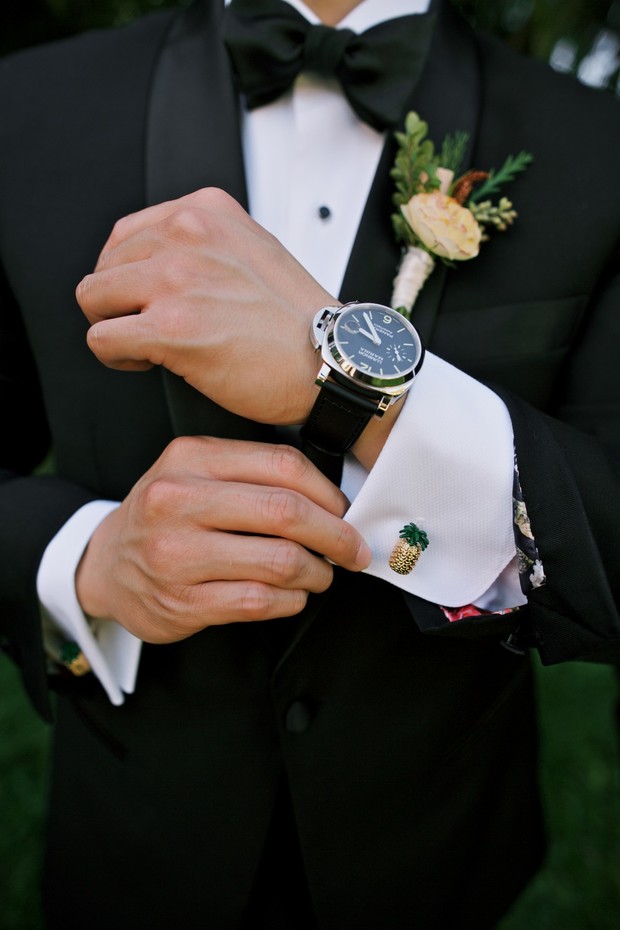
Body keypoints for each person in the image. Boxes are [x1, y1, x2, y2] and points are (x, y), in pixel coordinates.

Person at [1, 0, 619, 927]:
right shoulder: (25, 106)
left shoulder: (595, 143)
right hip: (134, 841)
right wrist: (81, 560)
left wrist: (339, 380)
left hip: (436, 850)